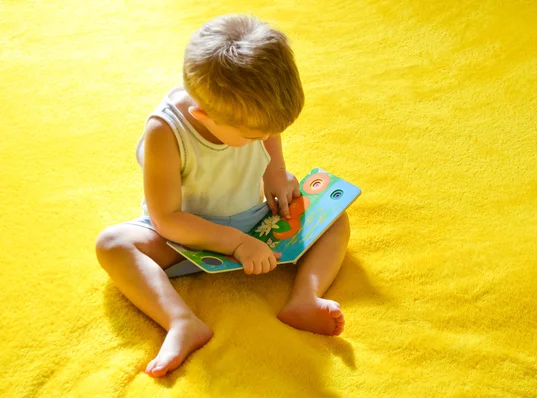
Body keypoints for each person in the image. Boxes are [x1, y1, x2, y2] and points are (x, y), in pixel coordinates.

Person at [95, 14, 350, 378]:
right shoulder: (165, 133)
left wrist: (275, 172)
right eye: (253, 135)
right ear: (204, 115)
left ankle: (305, 297)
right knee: (113, 244)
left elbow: (267, 132)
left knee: (334, 216)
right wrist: (235, 243)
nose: (263, 139)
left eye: (270, 132)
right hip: (183, 238)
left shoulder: (249, 114)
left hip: (254, 220)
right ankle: (181, 321)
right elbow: (167, 217)